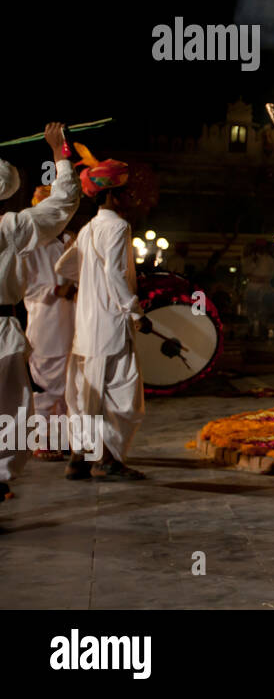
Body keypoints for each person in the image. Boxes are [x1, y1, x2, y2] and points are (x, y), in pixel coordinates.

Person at [56, 143, 147, 481]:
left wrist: (88, 285)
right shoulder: (118, 228)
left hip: (86, 326)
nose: (129, 199)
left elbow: (63, 268)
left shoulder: (88, 229)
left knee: (86, 393)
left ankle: (79, 457)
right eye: (125, 192)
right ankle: (107, 460)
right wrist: (134, 310)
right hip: (110, 325)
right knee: (121, 395)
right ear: (113, 197)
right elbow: (114, 273)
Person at [0, 124, 79, 500]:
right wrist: (60, 152)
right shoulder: (13, 228)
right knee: (11, 413)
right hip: (5, 331)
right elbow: (65, 200)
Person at [22, 187, 78, 459]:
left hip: (73, 323)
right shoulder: (30, 246)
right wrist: (56, 290)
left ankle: (64, 439)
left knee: (69, 388)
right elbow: (23, 288)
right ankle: (41, 441)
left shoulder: (69, 240)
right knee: (45, 386)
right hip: (46, 324)